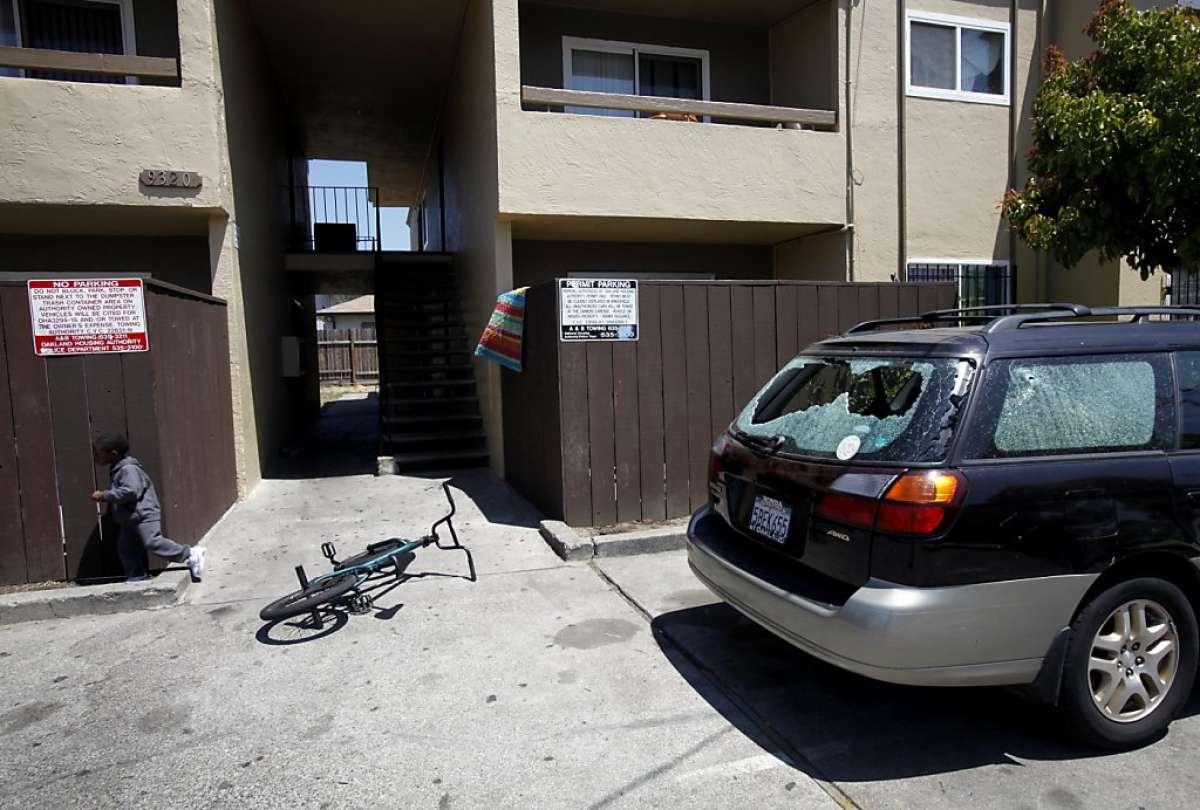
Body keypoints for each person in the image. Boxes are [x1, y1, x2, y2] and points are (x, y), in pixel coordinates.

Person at [90, 432, 206, 582]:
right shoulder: (118, 468)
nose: (95, 457)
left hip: (144, 515)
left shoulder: (128, 470)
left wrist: (105, 495)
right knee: (127, 548)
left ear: (113, 454)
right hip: (130, 518)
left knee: (152, 541)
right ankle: (136, 577)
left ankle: (189, 553)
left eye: (98, 454)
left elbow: (131, 491)